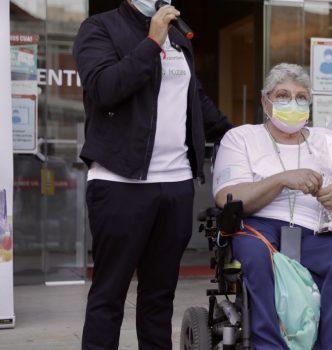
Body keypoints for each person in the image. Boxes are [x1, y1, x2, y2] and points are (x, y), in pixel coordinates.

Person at [73, 0, 233, 348]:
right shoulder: (100, 29)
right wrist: (151, 41)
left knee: (159, 298)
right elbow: (104, 89)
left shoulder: (178, 35)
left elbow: (195, 99)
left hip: (175, 185)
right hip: (119, 183)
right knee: (109, 295)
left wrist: (239, 135)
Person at [212, 63, 332, 350]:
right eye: (283, 95)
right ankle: (270, 345)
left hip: (317, 227)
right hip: (259, 226)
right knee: (256, 257)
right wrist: (282, 180)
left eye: (301, 97)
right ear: (266, 101)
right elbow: (227, 196)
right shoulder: (241, 138)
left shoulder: (328, 140)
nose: (293, 102)